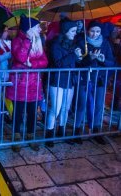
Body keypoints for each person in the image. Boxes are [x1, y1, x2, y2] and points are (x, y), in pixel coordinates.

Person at [6, 15, 48, 152]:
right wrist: (28, 40)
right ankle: (16, 136)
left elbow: (44, 61)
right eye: (36, 27)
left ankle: (31, 135)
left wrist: (32, 64)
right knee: (18, 111)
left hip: (34, 84)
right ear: (29, 29)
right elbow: (20, 57)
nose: (39, 29)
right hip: (20, 83)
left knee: (32, 111)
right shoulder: (17, 40)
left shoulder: (39, 40)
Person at [75, 21, 115, 144]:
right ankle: (77, 130)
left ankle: (97, 130)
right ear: (88, 30)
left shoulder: (105, 43)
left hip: (100, 79)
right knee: (81, 104)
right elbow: (78, 63)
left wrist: (103, 61)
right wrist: (89, 58)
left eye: (97, 31)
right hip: (85, 78)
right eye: (92, 31)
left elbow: (111, 62)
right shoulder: (82, 42)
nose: (95, 34)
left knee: (98, 105)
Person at [46, 18, 82, 147]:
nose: (75, 33)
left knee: (66, 108)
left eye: (75, 31)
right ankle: (49, 134)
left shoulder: (73, 44)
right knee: (55, 108)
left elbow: (74, 63)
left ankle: (61, 130)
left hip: (69, 80)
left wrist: (78, 57)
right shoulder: (56, 44)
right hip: (57, 79)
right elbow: (59, 63)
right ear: (65, 31)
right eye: (72, 31)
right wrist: (73, 55)